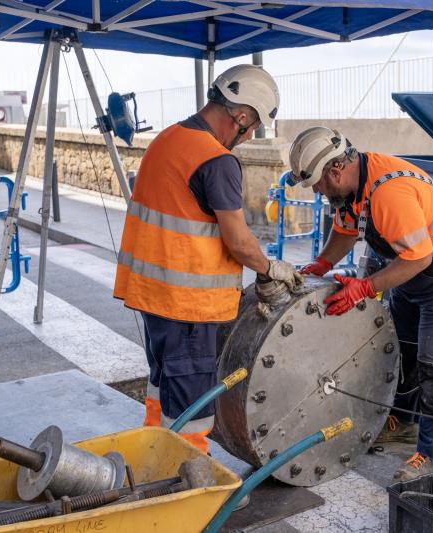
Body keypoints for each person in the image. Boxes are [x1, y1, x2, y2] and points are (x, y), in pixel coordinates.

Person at [114, 65, 301, 454]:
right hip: (188, 307)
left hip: (154, 298)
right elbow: (239, 241)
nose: (246, 138)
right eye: (251, 129)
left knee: (163, 387)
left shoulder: (168, 139)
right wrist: (270, 269)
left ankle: (153, 457)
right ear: (241, 116)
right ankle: (189, 476)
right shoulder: (215, 160)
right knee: (192, 411)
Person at [289, 126, 433, 481]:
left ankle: (431, 453)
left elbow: (420, 258)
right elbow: (346, 230)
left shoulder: (389, 194)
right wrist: (322, 263)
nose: (317, 191)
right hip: (409, 270)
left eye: (317, 183)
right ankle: (403, 423)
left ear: (336, 169)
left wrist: (364, 288)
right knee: (402, 350)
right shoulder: (352, 189)